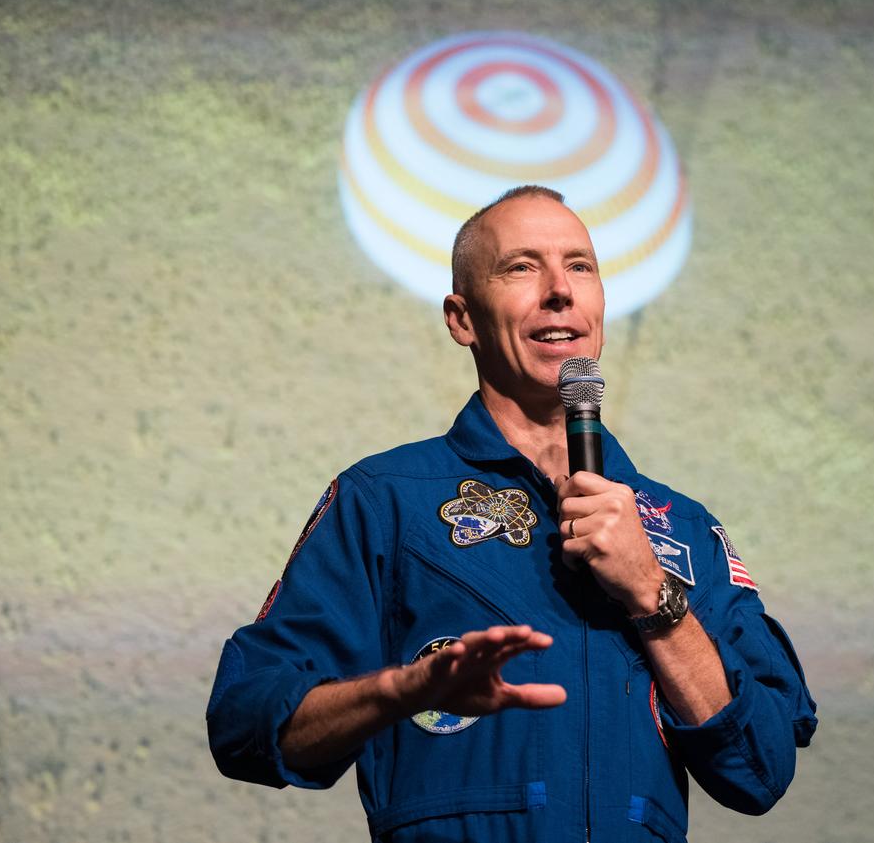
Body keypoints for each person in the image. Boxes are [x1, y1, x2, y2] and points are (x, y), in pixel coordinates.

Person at [206, 185, 817, 842]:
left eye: (580, 266)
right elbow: (245, 721)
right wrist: (401, 692)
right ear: (462, 318)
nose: (561, 290)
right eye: (522, 267)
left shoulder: (684, 528)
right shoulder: (386, 497)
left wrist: (652, 593)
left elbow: (760, 768)